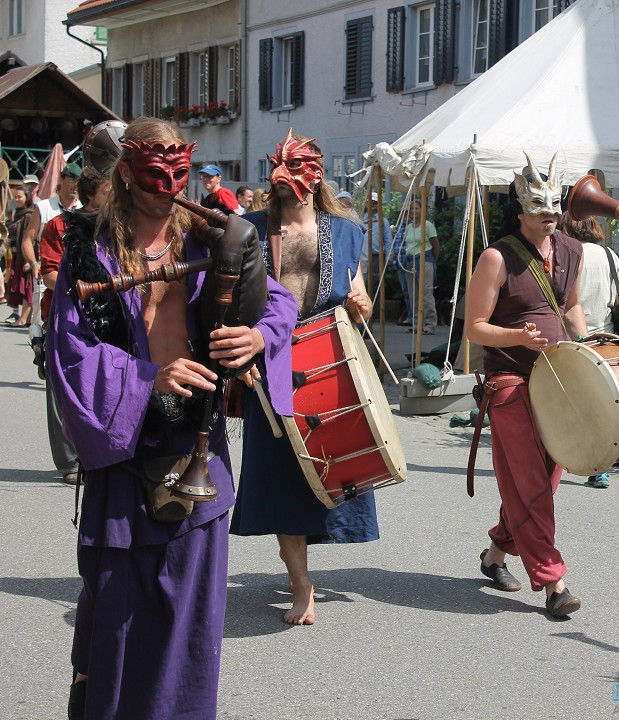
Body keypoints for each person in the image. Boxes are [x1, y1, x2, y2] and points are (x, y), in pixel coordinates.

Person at [49, 117, 296, 720]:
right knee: (115, 622)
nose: (168, 188)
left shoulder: (215, 238)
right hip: (123, 450)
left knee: (187, 631)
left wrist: (256, 335)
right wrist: (145, 377)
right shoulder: (89, 248)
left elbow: (282, 301)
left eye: (178, 175)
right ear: (127, 174)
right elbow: (68, 349)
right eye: (155, 176)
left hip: (197, 451)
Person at [230, 128, 378, 626]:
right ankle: (300, 583)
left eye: (295, 171)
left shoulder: (344, 231)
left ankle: (307, 570)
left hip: (329, 358)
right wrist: (242, 358)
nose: (283, 180)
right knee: (278, 481)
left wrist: (362, 304)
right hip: (267, 362)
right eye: (279, 170)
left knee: (331, 469)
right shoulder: (248, 230)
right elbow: (229, 303)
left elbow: (359, 299)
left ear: (314, 178)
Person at [465, 153, 587, 617]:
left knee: (546, 478)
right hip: (509, 380)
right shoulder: (497, 256)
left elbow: (572, 309)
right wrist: (516, 336)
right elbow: (475, 327)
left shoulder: (573, 252)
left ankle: (496, 552)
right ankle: (554, 582)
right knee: (531, 480)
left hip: (559, 378)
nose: (548, 213)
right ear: (520, 210)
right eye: (538, 206)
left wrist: (588, 341)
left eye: (553, 205)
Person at [36, 171, 109, 486]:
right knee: (62, 389)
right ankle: (69, 461)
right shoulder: (60, 225)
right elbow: (49, 274)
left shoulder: (118, 226)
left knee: (104, 385)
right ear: (92, 194)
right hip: (65, 314)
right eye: (110, 190)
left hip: (107, 315)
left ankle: (103, 454)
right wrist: (84, 287)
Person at [560, 213, 619, 489]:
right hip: (604, 341)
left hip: (570, 340)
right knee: (603, 406)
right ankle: (601, 468)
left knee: (566, 403)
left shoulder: (567, 254)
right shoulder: (609, 255)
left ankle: (560, 457)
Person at [24, 162, 82, 373]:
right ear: (62, 180)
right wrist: (33, 263)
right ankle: (40, 348)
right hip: (46, 268)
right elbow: (27, 240)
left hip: (69, 271)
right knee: (40, 314)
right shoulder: (44, 207)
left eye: (78, 180)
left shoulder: (84, 208)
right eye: (72, 179)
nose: (75, 184)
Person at [403, 197, 439, 334]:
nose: (413, 211)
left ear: (422, 210)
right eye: (411, 209)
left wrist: (433, 261)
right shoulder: (408, 227)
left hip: (424, 260)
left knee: (426, 293)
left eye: (416, 208)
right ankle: (417, 323)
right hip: (410, 262)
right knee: (413, 295)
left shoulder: (428, 225)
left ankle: (429, 324)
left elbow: (436, 244)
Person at [4, 184, 33, 326]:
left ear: (27, 197)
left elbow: (32, 239)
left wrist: (31, 259)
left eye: (19, 196)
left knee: (27, 287)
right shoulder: (18, 213)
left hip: (25, 256)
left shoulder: (29, 215)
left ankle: (23, 318)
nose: (16, 199)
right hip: (17, 255)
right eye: (15, 196)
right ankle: (23, 317)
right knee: (19, 285)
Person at [359, 191, 393, 283]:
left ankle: (374, 298)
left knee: (375, 281)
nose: (372, 204)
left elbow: (388, 239)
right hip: (362, 254)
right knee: (362, 279)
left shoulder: (382, 221)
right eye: (370, 202)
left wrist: (389, 256)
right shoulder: (360, 219)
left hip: (377, 256)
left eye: (375, 202)